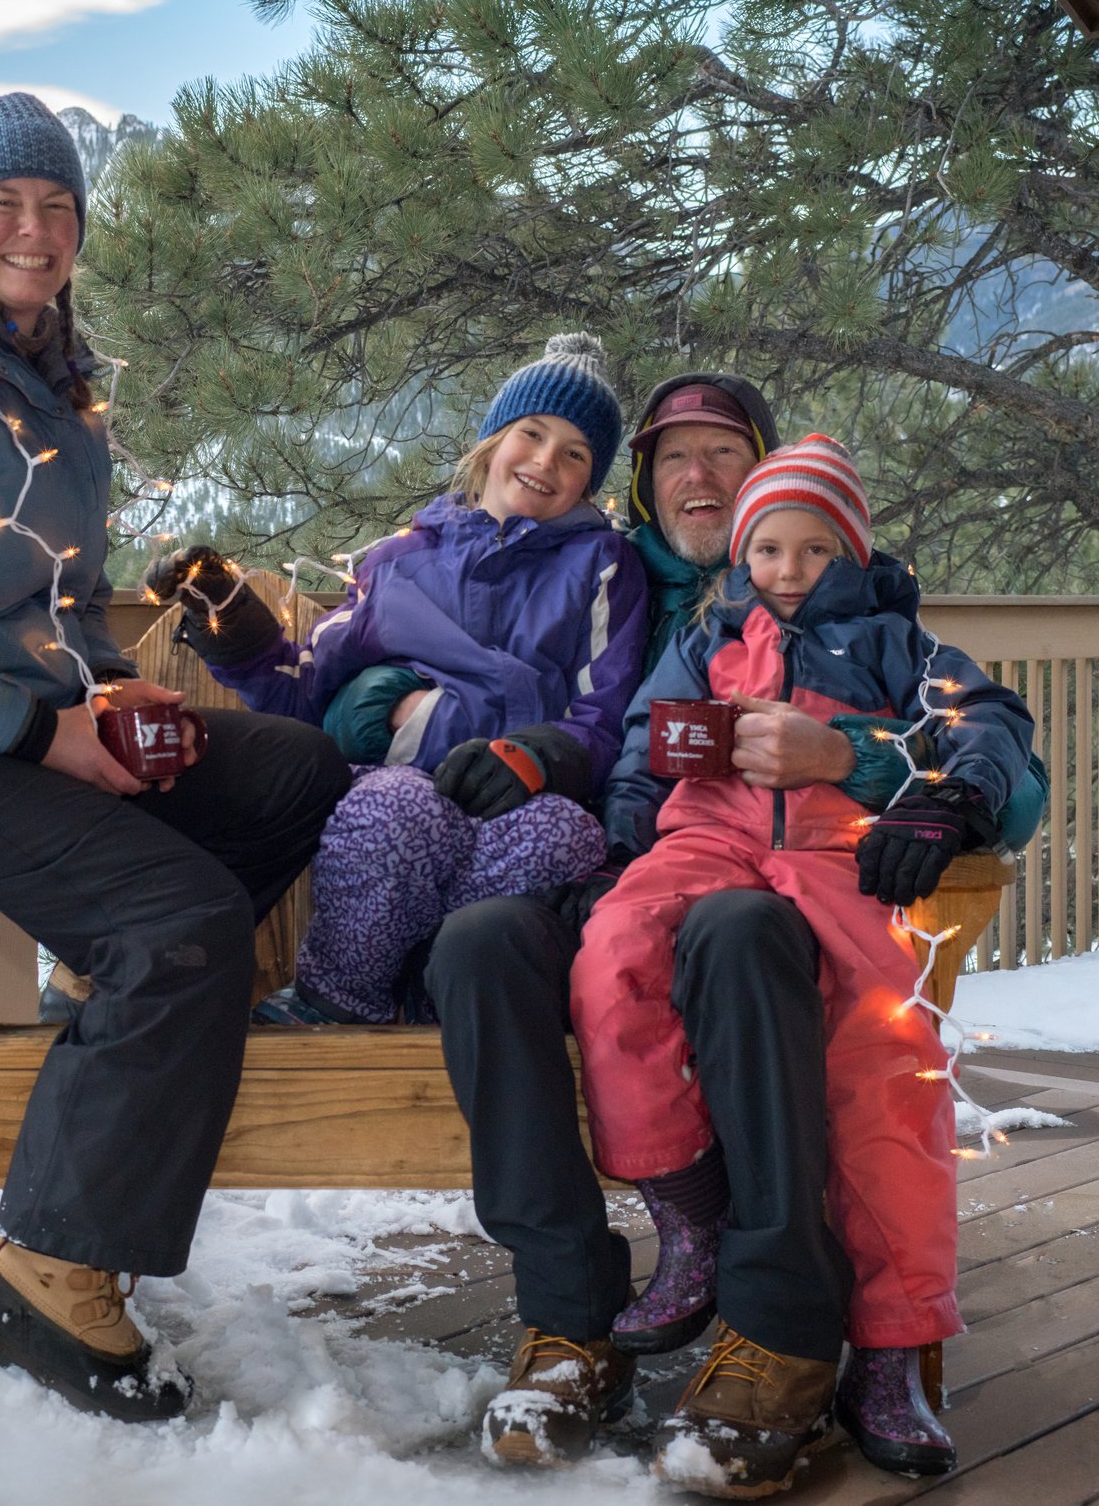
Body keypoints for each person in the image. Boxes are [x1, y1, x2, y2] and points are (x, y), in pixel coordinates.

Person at [0, 93, 349, 1423]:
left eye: (56, 206)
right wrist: (47, 733)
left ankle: (135, 1017)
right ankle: (45, 1273)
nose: (33, 228)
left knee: (292, 769)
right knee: (187, 913)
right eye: (4, 205)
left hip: (19, 714)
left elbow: (59, 608)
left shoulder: (59, 387)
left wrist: (123, 694)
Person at [432, 378, 1047, 1485]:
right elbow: (619, 744)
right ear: (645, 483)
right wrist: (604, 843)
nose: (701, 480)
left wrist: (895, 778)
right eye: (677, 457)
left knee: (846, 1028)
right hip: (665, 858)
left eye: (726, 455)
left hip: (802, 881)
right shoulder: (627, 588)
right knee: (501, 947)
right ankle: (600, 1296)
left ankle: (837, 1336)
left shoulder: (890, 639)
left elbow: (993, 741)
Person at [145, 336, 649, 1023]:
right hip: (400, 785)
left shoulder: (603, 566)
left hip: (520, 792)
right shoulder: (399, 559)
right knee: (391, 810)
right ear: (493, 440)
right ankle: (339, 1001)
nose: (544, 461)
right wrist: (237, 631)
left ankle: (431, 992)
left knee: (567, 838)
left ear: (590, 480)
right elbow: (307, 689)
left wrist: (538, 756)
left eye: (574, 453)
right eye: (531, 434)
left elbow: (602, 710)